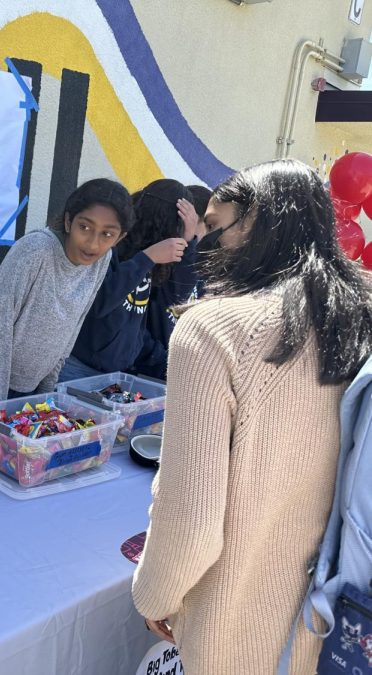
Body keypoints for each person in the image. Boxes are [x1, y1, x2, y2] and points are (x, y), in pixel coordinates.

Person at [131, 159, 372, 674]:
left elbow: (191, 519)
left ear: (259, 220)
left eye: (215, 227)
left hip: (237, 627)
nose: (205, 243)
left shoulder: (214, 328)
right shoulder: (360, 320)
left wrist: (155, 596)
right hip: (338, 624)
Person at [0, 178, 134, 447]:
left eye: (107, 234)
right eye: (85, 227)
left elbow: (71, 329)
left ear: (120, 237)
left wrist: (44, 403)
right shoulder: (35, 251)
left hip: (32, 390)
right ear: (69, 222)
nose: (93, 243)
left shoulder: (101, 260)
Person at [59, 179, 197, 381]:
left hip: (118, 374)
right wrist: (146, 258)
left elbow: (178, 298)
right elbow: (99, 303)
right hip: (78, 368)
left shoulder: (154, 260)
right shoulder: (112, 245)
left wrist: (189, 241)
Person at [133, 184, 212, 378]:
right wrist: (166, 364)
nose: (214, 236)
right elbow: (138, 329)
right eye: (210, 226)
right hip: (147, 374)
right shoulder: (157, 260)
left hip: (173, 372)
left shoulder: (202, 264)